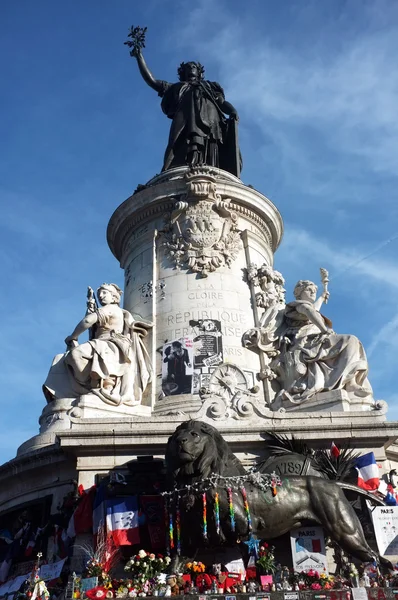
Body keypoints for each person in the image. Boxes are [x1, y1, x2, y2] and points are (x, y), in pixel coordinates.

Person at [132, 48, 241, 175]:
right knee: (176, 142)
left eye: (194, 66)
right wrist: (139, 57)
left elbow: (221, 102)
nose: (191, 68)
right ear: (183, 72)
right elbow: (152, 81)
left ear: (199, 72)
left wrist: (232, 110)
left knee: (211, 143)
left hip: (211, 119)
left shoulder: (210, 87)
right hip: (184, 118)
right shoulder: (175, 87)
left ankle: (210, 168)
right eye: (188, 67)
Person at [43, 284, 152, 406]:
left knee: (76, 353)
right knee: (61, 359)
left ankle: (94, 387)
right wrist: (91, 305)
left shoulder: (110, 309)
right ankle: (90, 386)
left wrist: (73, 337)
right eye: (100, 293)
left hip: (110, 344)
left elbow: (88, 321)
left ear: (114, 297)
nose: (101, 296)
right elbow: (93, 323)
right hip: (102, 343)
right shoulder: (108, 310)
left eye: (105, 293)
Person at [275, 280, 373, 404]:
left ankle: (350, 382)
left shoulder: (307, 307)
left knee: (353, 342)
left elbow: (313, 310)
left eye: (314, 291)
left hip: (316, 339)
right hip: (306, 341)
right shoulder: (297, 306)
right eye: (309, 290)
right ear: (299, 293)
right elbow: (309, 311)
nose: (312, 293)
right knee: (350, 340)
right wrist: (324, 330)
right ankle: (348, 382)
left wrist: (321, 297)